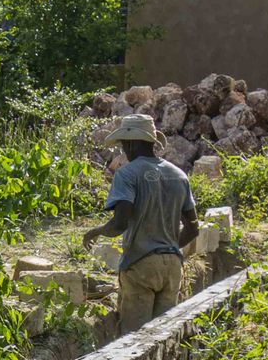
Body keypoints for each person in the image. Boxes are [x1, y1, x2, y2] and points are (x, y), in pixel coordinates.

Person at [81, 115, 201, 334]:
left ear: (131, 143)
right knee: (164, 337)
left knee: (134, 340)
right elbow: (193, 228)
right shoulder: (179, 175)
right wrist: (168, 247)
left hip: (141, 265)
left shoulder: (127, 175)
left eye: (124, 145)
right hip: (173, 266)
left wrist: (96, 232)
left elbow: (120, 223)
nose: (123, 150)